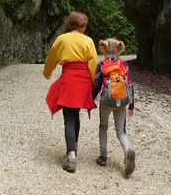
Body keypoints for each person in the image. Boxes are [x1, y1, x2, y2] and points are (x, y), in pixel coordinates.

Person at [43, 11, 99, 173]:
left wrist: (47, 73)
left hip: (68, 78)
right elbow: (93, 62)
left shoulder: (62, 39)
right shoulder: (88, 41)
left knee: (69, 118)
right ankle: (73, 148)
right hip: (82, 81)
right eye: (84, 25)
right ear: (81, 25)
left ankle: (71, 156)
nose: (85, 28)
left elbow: (52, 58)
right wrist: (92, 82)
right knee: (75, 115)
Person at [92, 38, 136, 178]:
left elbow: (97, 85)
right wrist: (131, 106)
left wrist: (90, 100)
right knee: (121, 131)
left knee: (103, 125)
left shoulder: (102, 65)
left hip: (106, 101)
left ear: (104, 49)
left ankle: (103, 157)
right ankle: (128, 151)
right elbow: (130, 85)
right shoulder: (123, 65)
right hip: (122, 101)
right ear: (119, 50)